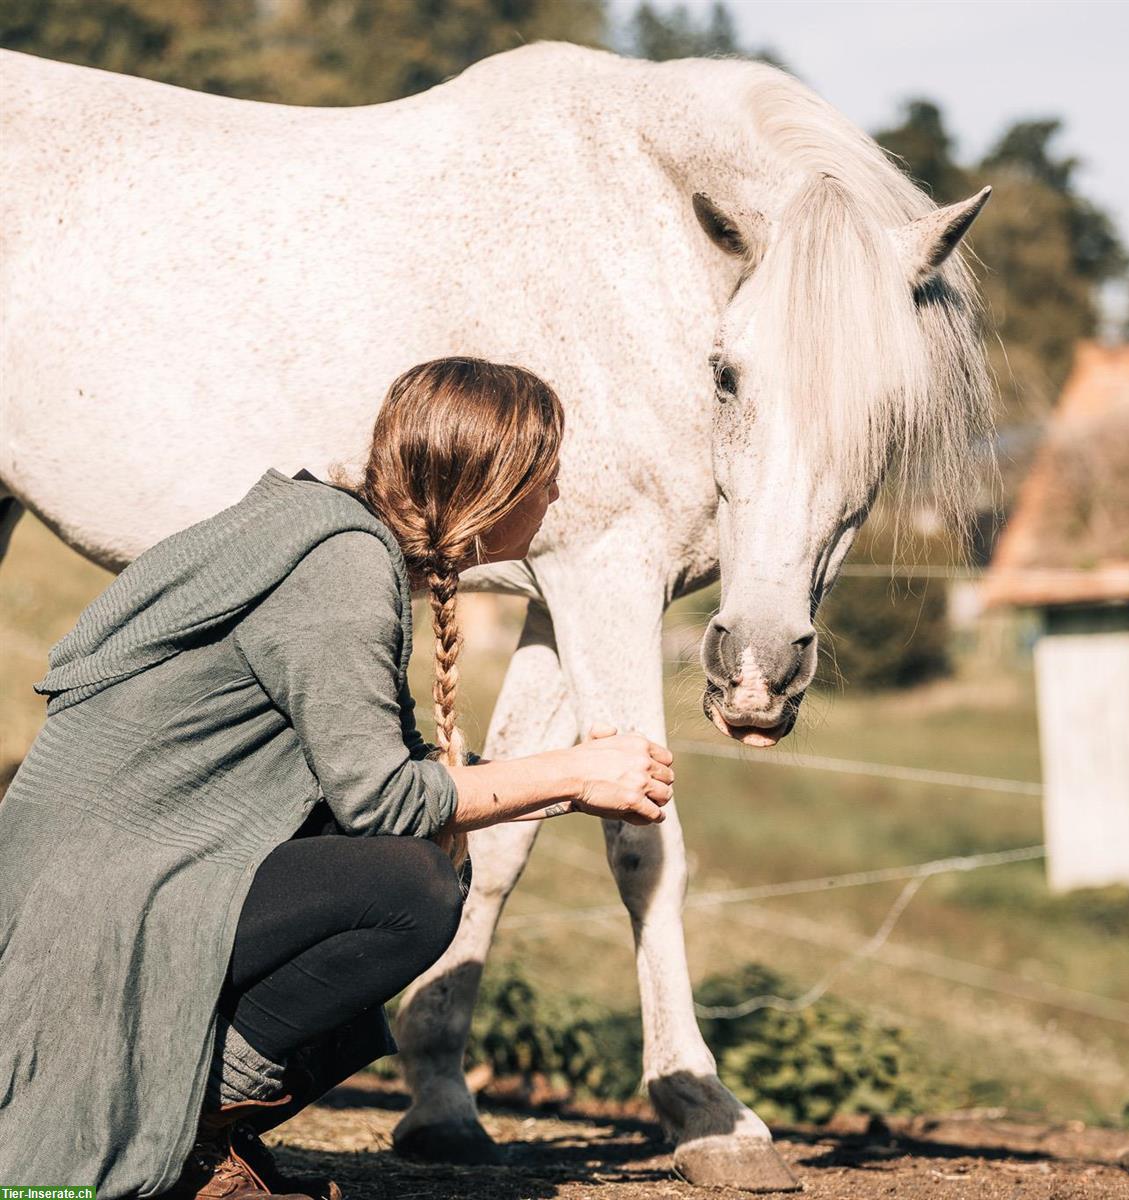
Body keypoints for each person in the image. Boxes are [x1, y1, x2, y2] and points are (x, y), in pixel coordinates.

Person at [0, 357, 674, 1199]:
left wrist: (560, 776)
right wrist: (569, 775)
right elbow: (383, 802)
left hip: (115, 874)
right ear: (494, 487)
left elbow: (378, 778)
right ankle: (177, 1117)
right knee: (412, 887)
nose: (556, 498)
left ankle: (195, 1121)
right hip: (100, 899)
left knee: (419, 860)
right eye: (547, 478)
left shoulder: (336, 539)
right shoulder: (343, 566)